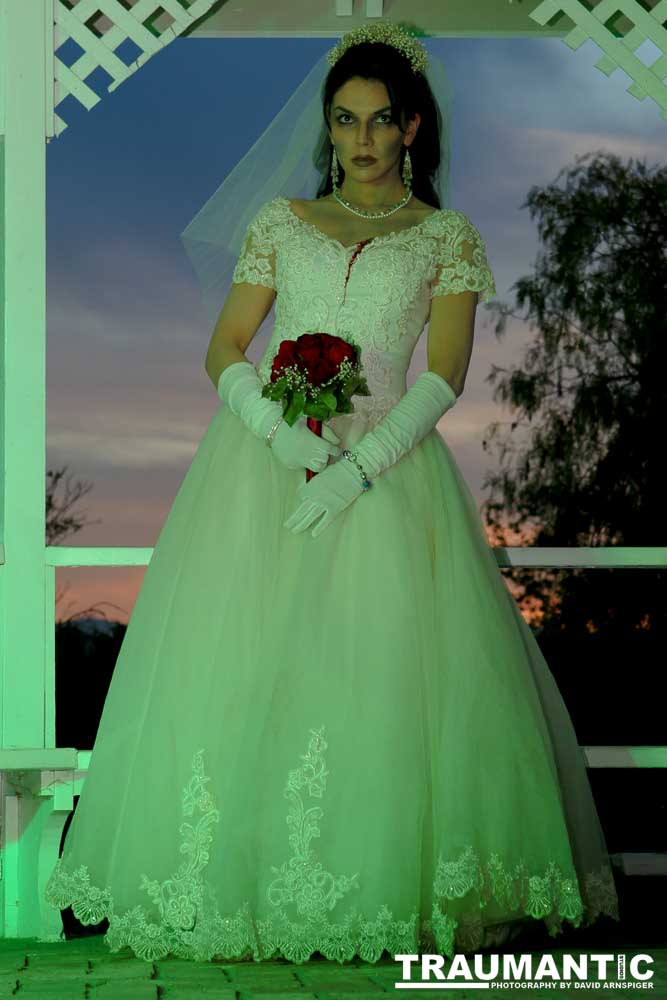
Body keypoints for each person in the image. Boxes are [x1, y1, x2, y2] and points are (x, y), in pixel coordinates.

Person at [44, 22, 620, 966]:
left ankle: (373, 888)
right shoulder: (280, 223)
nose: (358, 138)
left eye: (378, 120)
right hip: (262, 468)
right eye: (343, 119)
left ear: (413, 128)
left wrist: (357, 465)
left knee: (379, 674)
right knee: (242, 665)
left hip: (388, 475)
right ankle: (241, 889)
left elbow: (443, 374)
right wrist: (276, 433)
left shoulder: (445, 237)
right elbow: (223, 348)